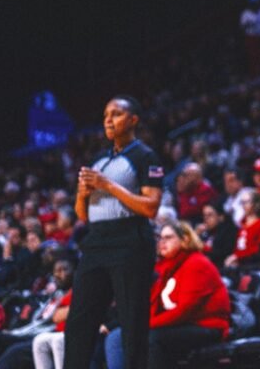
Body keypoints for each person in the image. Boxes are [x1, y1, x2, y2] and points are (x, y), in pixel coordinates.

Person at [64, 96, 163, 369]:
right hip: (96, 241)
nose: (108, 120)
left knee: (132, 323)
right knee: (79, 322)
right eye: (106, 115)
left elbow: (151, 207)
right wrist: (82, 194)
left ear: (133, 120)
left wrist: (108, 186)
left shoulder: (145, 156)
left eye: (116, 114)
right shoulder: (99, 160)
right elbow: (82, 215)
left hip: (130, 240)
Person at [106, 221, 230, 369]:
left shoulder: (197, 264)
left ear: (185, 240)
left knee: (150, 337)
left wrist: (146, 325)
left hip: (206, 326)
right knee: (115, 336)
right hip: (179, 325)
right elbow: (152, 303)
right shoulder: (165, 266)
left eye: (168, 237)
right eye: (160, 238)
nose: (162, 242)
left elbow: (184, 310)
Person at [223, 188, 260, 268]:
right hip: (241, 264)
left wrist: (237, 257)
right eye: (242, 203)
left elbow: (259, 249)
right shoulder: (242, 224)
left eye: (246, 202)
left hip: (254, 264)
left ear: (256, 204)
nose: (243, 206)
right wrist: (234, 257)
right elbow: (238, 247)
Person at [197, 200, 237, 271]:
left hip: (221, 269)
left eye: (210, 215)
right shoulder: (205, 233)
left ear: (221, 217)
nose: (206, 219)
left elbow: (223, 254)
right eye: (204, 215)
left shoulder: (229, 231)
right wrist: (196, 235)